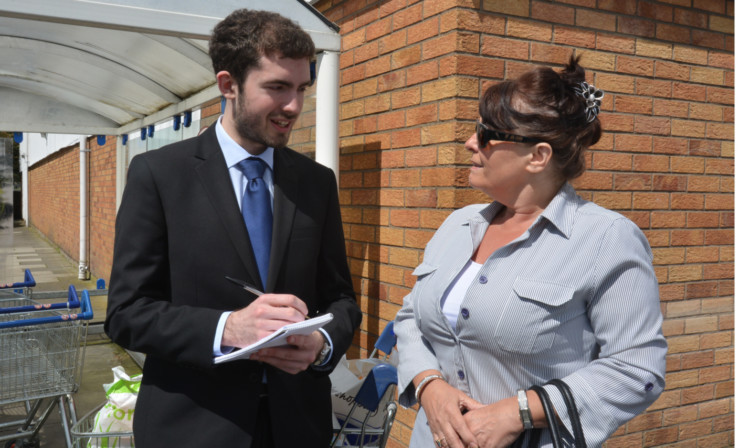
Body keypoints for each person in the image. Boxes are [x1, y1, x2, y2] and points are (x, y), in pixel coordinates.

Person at [105, 9, 362, 447]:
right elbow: (127, 313)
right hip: (194, 427)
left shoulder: (316, 182)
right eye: (277, 88)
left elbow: (341, 298)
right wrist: (228, 329)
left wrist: (321, 342)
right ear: (228, 85)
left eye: (301, 89)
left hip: (298, 426)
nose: (294, 106)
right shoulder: (158, 174)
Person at [394, 56, 667, 448]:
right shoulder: (457, 225)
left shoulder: (607, 239)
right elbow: (409, 317)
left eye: (487, 134)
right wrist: (428, 385)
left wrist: (519, 412)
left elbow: (636, 369)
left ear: (538, 156)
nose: (471, 142)